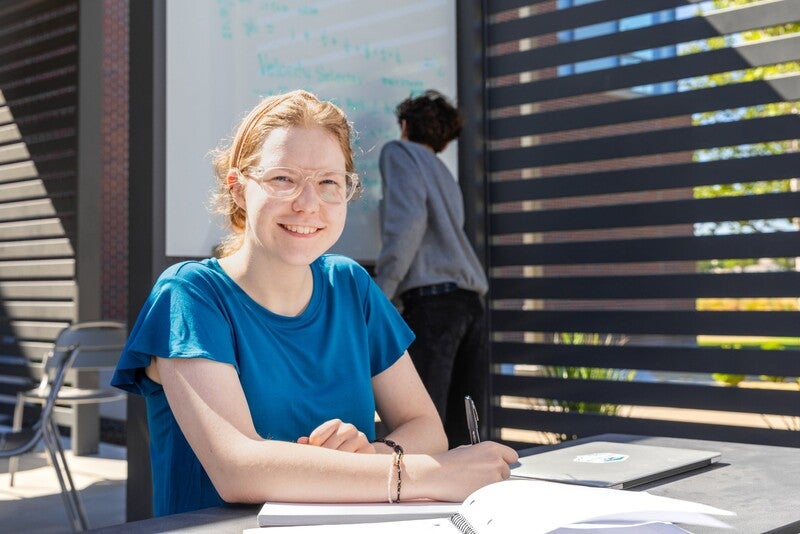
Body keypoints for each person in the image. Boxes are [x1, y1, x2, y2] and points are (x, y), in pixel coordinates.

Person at [111, 90, 517, 516]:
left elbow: (426, 428)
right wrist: (426, 474)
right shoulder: (189, 295)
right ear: (237, 188)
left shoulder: (351, 285)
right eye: (283, 179)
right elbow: (238, 469)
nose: (308, 205)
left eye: (328, 183)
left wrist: (373, 457)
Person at [375, 90, 490, 447]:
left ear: (405, 126)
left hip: (434, 305)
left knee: (422, 430)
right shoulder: (443, 172)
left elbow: (407, 224)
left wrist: (381, 293)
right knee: (462, 431)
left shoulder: (397, 152)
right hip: (470, 304)